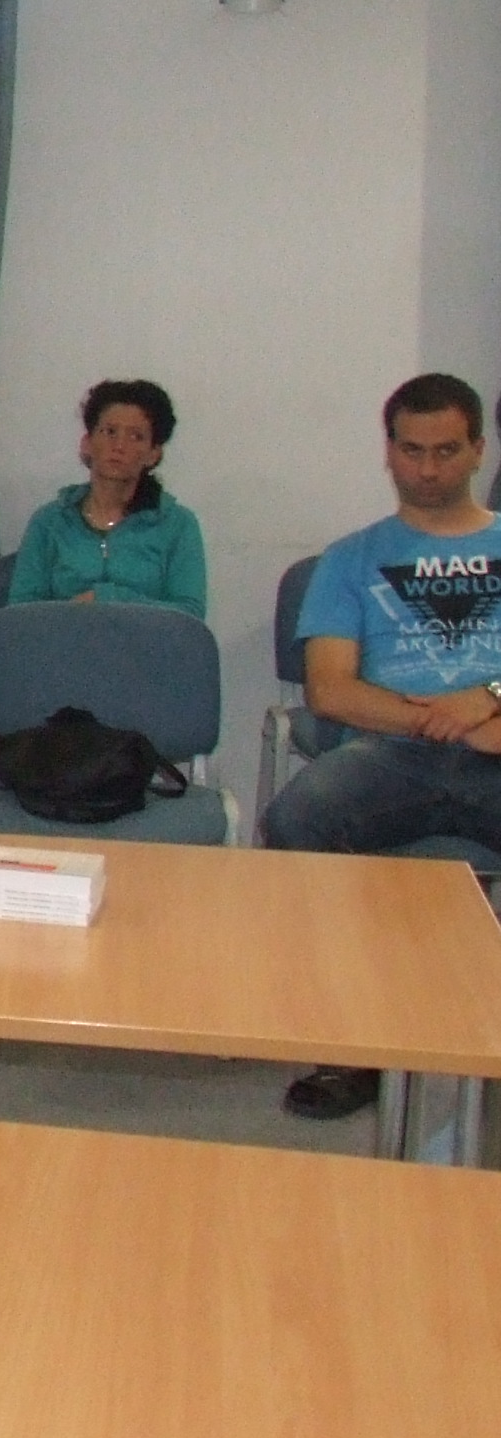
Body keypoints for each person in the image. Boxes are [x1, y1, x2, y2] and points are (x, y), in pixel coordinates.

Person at [265, 374, 501, 1123]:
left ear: (478, 450)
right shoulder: (350, 559)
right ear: (389, 452)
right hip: (390, 752)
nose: (427, 469)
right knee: (296, 819)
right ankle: (352, 1041)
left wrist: (491, 699)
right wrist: (448, 718)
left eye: (446, 451)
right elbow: (331, 690)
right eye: (412, 451)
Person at [3, 378, 210, 614]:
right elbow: (20, 613)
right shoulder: (49, 522)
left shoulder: (177, 525)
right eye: (109, 432)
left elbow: (189, 615)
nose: (119, 446)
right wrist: (71, 616)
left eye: (136, 436)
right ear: (87, 443)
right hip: (64, 637)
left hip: (147, 639)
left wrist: (108, 598)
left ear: (153, 454)